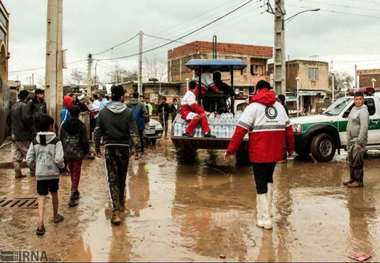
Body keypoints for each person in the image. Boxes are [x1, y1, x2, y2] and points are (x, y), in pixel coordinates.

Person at [224, 80, 294, 230]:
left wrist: (231, 150)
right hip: (275, 153)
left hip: (259, 153)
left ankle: (265, 218)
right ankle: (267, 214)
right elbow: (289, 130)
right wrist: (291, 149)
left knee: (260, 183)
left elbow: (240, 131)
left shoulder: (252, 107)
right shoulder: (280, 107)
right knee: (268, 179)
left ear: (257, 91)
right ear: (269, 89)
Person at [94, 85, 140, 225]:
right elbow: (134, 133)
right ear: (121, 97)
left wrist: (97, 148)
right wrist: (136, 149)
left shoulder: (103, 113)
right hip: (124, 148)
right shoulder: (128, 112)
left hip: (110, 148)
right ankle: (120, 205)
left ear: (111, 95)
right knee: (122, 176)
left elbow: (97, 132)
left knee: (112, 178)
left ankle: (116, 211)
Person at [26, 114, 65, 236]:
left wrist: (34, 168)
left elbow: (28, 159)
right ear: (50, 127)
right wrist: (62, 167)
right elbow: (59, 159)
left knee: (41, 197)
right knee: (54, 193)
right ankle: (55, 216)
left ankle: (40, 222)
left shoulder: (34, 141)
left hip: (40, 174)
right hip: (53, 174)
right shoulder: (56, 141)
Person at [60, 106, 90, 207]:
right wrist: (86, 151)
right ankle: (73, 191)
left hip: (67, 152)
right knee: (76, 172)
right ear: (78, 114)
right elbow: (84, 141)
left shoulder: (64, 125)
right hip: (78, 153)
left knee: (72, 171)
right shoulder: (81, 125)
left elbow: (61, 139)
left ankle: (75, 189)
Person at [343, 91, 369, 188]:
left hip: (358, 140)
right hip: (351, 140)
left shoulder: (363, 111)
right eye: (356, 99)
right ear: (354, 100)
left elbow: (364, 127)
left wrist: (360, 142)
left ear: (363, 100)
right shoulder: (354, 108)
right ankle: (352, 179)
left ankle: (359, 181)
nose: (358, 101)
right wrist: (348, 141)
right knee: (351, 160)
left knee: (357, 160)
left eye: (360, 99)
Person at [9, 90, 35, 178]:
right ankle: (33, 172)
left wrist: (12, 131)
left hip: (14, 135)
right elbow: (26, 119)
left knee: (16, 156)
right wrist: (32, 130)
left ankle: (17, 173)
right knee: (29, 154)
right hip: (23, 135)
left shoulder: (14, 106)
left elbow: (8, 121)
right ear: (27, 97)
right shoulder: (24, 106)